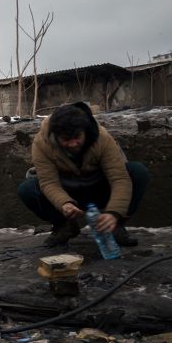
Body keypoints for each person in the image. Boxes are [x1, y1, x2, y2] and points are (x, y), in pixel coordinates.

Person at [18, 102, 151, 248]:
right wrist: (64, 203)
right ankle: (64, 226)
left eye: (77, 137)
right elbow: (49, 182)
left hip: (99, 188)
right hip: (68, 190)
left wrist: (114, 212)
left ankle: (115, 226)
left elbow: (119, 178)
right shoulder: (41, 143)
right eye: (66, 140)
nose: (73, 144)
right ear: (55, 135)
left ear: (84, 130)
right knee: (28, 189)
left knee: (138, 172)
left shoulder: (102, 138)